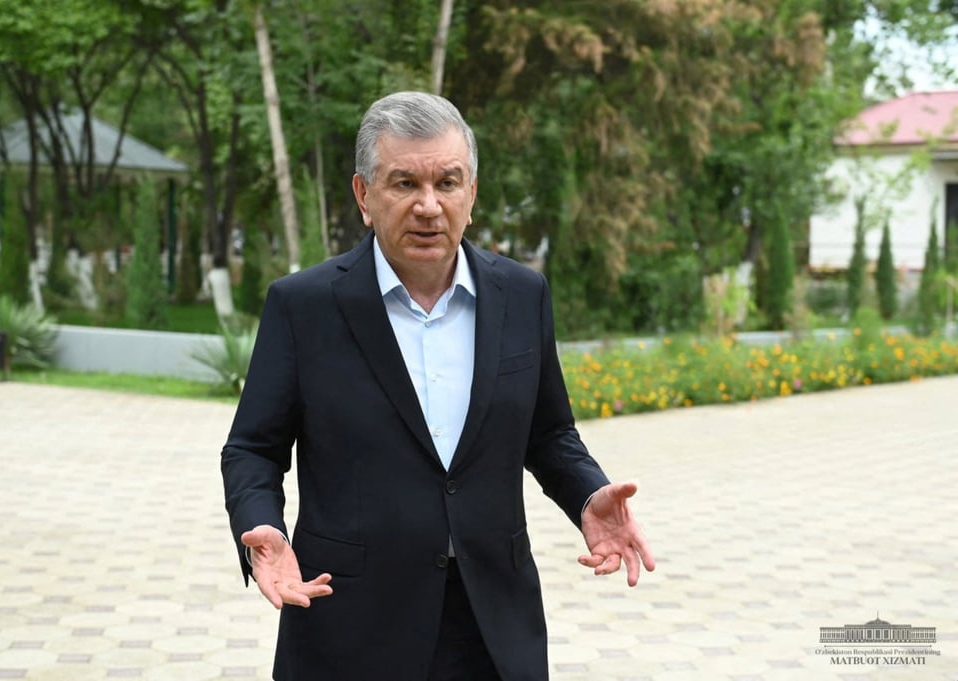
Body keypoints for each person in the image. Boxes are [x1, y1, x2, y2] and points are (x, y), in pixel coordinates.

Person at [220, 91, 655, 681]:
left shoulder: (522, 295)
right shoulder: (304, 306)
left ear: (471, 195)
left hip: (492, 625)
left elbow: (549, 433)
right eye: (404, 184)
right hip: (349, 625)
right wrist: (264, 528)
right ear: (364, 196)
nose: (428, 206)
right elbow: (252, 447)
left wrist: (587, 495)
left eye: (447, 183)